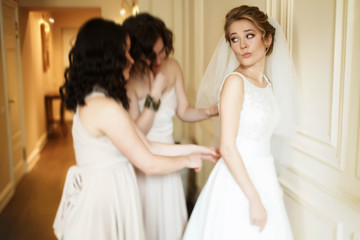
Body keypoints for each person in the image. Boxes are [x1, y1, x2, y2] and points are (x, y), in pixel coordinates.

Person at [52, 18, 218, 240]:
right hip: (103, 201)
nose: (131, 59)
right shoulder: (105, 107)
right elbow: (148, 162)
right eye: (125, 53)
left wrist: (196, 151)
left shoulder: (94, 99)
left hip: (107, 192)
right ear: (108, 59)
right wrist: (187, 160)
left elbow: (145, 143)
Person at [183, 5, 298, 239]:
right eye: (234, 39)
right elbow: (227, 147)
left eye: (249, 35)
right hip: (238, 181)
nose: (242, 45)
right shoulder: (234, 82)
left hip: (264, 174)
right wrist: (254, 198)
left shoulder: (266, 83)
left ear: (267, 39)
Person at [122, 13, 219, 240]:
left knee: (171, 225)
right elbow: (138, 133)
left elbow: (184, 111)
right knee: (147, 224)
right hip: (145, 160)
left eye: (162, 51)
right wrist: (154, 95)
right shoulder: (130, 81)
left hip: (171, 157)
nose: (158, 60)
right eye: (151, 55)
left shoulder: (173, 67)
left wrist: (209, 111)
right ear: (137, 54)